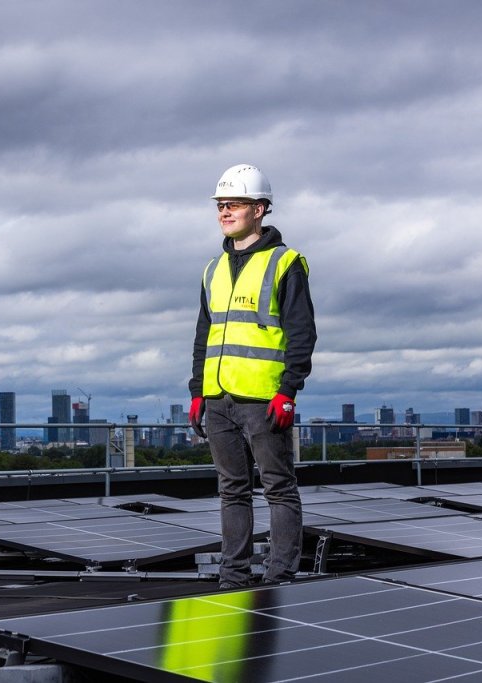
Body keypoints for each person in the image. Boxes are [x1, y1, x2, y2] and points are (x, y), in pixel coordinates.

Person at [188, 164, 317, 589]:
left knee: (278, 488)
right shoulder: (213, 269)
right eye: (221, 205)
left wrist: (288, 390)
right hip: (218, 398)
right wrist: (196, 391)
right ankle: (233, 578)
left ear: (259, 209)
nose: (225, 212)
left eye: (235, 204)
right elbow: (204, 334)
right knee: (232, 491)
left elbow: (302, 332)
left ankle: (280, 578)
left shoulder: (285, 263)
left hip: (264, 399)